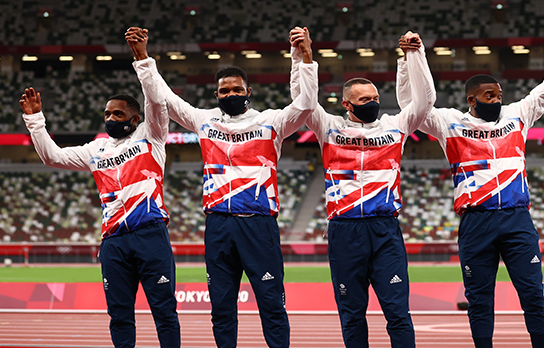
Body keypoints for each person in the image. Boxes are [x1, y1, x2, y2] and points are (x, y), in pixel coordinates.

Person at [397, 18, 544, 348]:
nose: (497, 99)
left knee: (532, 292)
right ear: (471, 99)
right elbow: (410, 107)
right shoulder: (449, 123)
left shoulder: (518, 115)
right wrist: (409, 60)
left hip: (517, 220)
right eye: (489, 95)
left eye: (499, 94)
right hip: (476, 222)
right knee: (480, 298)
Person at [125, 26, 319, 348]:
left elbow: (306, 104)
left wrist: (303, 57)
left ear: (248, 91)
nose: (231, 95)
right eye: (224, 91)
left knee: (271, 304)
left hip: (259, 223)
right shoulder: (203, 120)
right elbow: (164, 98)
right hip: (218, 224)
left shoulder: (271, 121)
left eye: (236, 89)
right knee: (222, 308)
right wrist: (143, 58)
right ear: (216, 95)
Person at [289, 28, 435, 348]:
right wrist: (302, 57)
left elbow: (425, 100)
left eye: (375, 99)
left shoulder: (395, 126)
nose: (372, 104)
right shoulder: (328, 127)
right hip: (345, 231)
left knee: (397, 313)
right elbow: (303, 101)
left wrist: (414, 55)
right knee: (352, 314)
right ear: (346, 104)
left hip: (385, 231)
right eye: (364, 100)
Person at [19, 72, 180, 345]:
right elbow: (52, 157)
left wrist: (142, 60)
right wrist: (35, 120)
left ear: (135, 119)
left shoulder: (151, 135)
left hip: (149, 235)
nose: (110, 119)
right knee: (119, 315)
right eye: (107, 114)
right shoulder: (96, 149)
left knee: (164, 311)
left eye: (118, 114)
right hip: (114, 242)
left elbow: (155, 100)